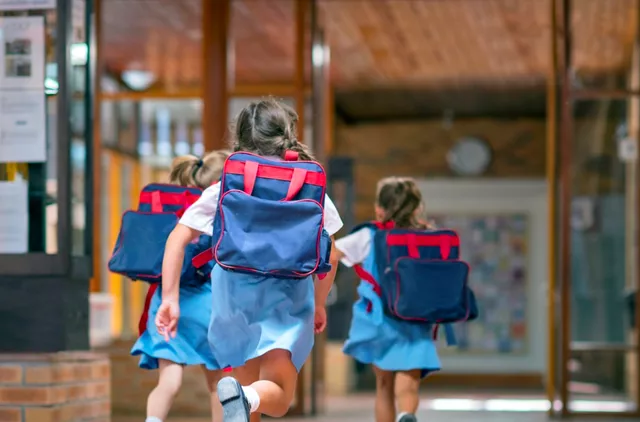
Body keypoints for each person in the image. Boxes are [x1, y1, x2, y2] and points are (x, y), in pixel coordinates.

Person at [155, 98, 343, 422]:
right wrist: (321, 302)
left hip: (233, 301)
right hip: (286, 303)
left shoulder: (228, 184)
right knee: (277, 395)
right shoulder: (308, 187)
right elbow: (333, 251)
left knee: (240, 409)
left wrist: (169, 298)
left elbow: (178, 238)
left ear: (239, 139)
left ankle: (245, 397)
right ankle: (249, 396)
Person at [131, 150, 231, 422]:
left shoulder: (176, 212)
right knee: (217, 386)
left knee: (168, 382)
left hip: (166, 301)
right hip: (207, 305)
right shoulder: (218, 210)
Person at [332, 177, 440, 422]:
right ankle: (406, 414)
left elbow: (332, 254)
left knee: (384, 385)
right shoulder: (428, 236)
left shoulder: (369, 235)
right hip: (416, 318)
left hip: (379, 319)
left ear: (380, 208)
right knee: (409, 382)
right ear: (415, 207)